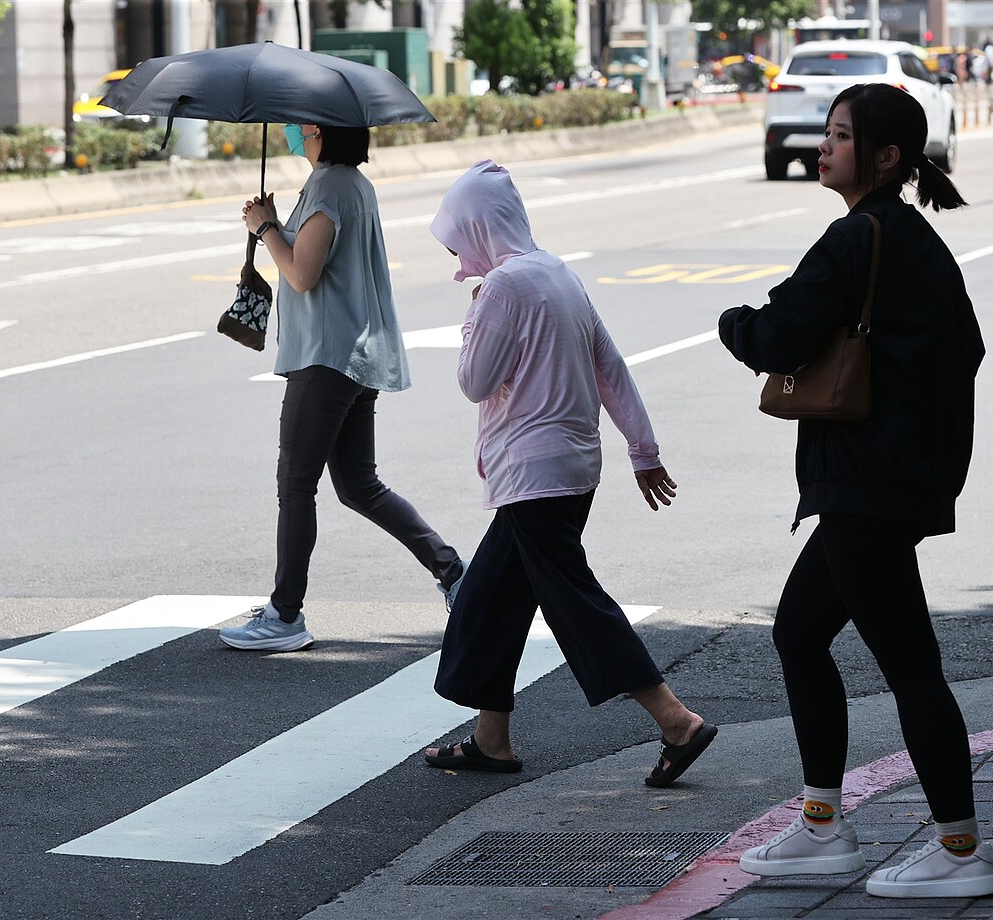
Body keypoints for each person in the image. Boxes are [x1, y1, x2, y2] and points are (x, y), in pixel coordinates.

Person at [719, 84, 993, 899]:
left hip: (865, 486)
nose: (824, 146)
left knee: (911, 667)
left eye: (841, 136)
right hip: (886, 481)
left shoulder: (858, 236)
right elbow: (967, 350)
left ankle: (959, 851)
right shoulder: (911, 239)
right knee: (800, 633)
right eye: (828, 133)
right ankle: (821, 827)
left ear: (885, 157)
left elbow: (777, 333)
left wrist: (734, 321)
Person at [422, 160, 716, 786]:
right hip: (572, 468)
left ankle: (676, 721)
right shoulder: (558, 272)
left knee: (575, 604)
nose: (455, 255)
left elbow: (474, 382)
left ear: (479, 228)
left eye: (456, 240)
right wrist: (643, 450)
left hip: (534, 475)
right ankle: (491, 740)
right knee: (488, 600)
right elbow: (609, 363)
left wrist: (475, 315)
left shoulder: (502, 290)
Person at [219, 124, 466, 651]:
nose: (291, 130)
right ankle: (454, 575)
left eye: (299, 123)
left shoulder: (331, 186)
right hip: (354, 352)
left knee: (295, 483)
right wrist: (274, 223)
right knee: (358, 486)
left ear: (317, 130)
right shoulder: (351, 183)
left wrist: (265, 229)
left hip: (326, 356)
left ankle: (285, 615)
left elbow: (302, 274)